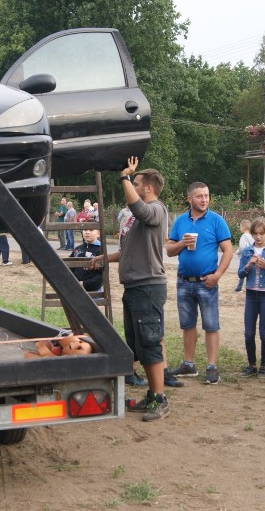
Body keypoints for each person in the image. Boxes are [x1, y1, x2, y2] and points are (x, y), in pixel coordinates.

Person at [91, 157, 172, 421]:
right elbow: (127, 250)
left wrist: (124, 177)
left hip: (148, 287)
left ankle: (160, 399)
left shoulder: (157, 209)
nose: (133, 186)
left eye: (137, 183)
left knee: (150, 343)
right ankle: (151, 395)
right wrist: (105, 258)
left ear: (147, 188)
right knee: (138, 343)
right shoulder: (140, 218)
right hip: (136, 288)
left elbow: (138, 208)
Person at [165, 182, 234, 385]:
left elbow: (228, 251)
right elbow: (169, 251)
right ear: (189, 199)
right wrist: (182, 244)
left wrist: (217, 275)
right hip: (184, 281)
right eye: (199, 196)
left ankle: (212, 367)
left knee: (211, 325)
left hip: (207, 282)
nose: (204, 200)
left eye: (206, 195)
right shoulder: (180, 221)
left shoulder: (216, 220)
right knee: (187, 325)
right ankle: (189, 364)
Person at [235, 217, 265, 379]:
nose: (259, 237)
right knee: (248, 332)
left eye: (262, 233)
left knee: (264, 331)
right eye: (255, 234)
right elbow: (240, 273)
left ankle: (264, 366)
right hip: (251, 295)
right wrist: (248, 266)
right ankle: (251, 364)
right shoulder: (247, 251)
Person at [234, 219, 253, 292]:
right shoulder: (251, 236)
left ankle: (239, 288)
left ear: (243, 228)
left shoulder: (243, 236)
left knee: (242, 272)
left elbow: (242, 247)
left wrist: (237, 252)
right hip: (251, 256)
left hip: (245, 257)